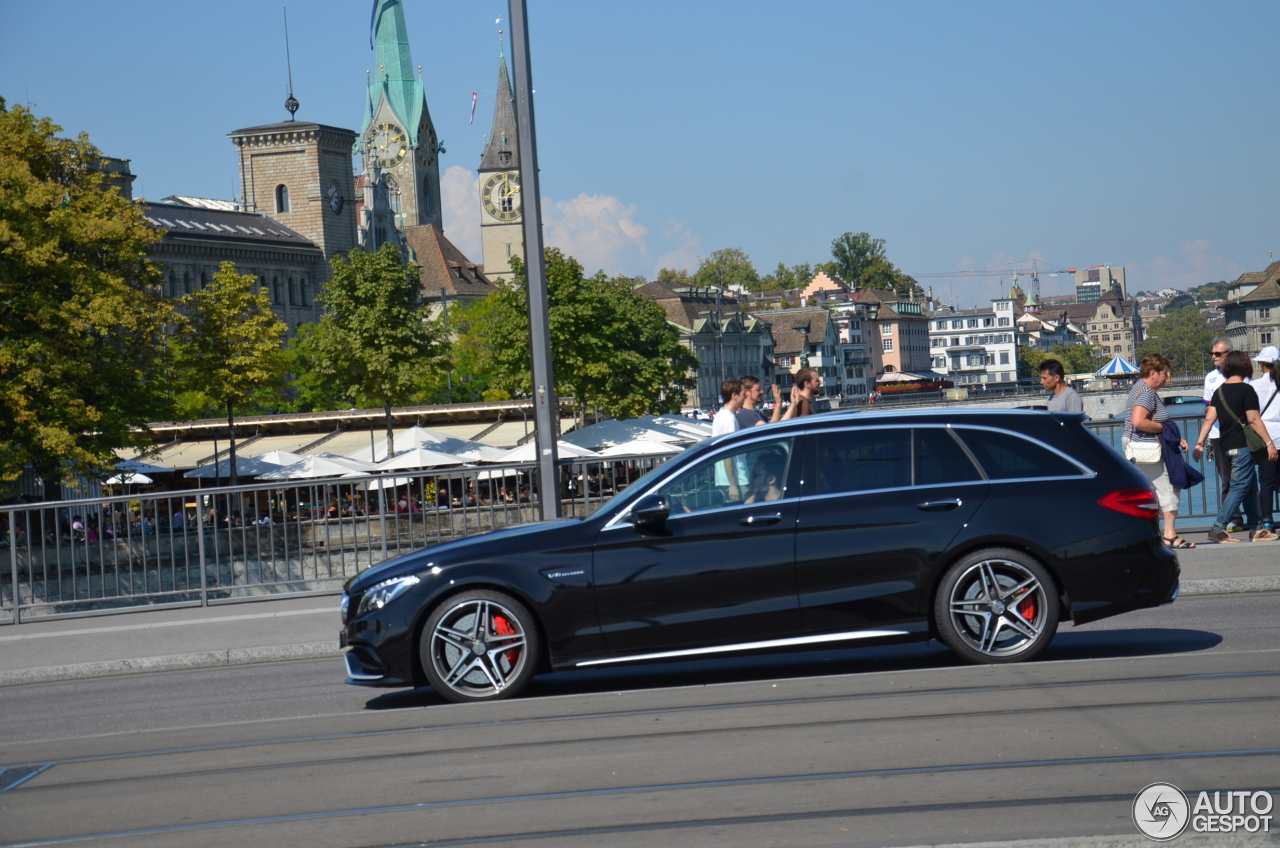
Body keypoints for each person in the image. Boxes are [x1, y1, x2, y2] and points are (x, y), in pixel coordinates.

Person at [1193, 350, 1279, 543]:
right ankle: (1218, 527)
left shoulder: (1219, 391)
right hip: (1243, 445)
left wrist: (1199, 443)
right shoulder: (1247, 390)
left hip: (1224, 445)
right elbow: (1254, 419)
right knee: (1240, 486)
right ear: (1245, 367)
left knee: (1249, 486)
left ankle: (1256, 528)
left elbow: (1209, 419)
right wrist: (1269, 443)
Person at [1125, 354, 1193, 549]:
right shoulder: (1146, 392)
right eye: (1164, 373)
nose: (1166, 377)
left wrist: (1175, 437)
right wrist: (1165, 429)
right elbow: (1138, 421)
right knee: (1170, 486)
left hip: (1141, 446)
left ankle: (1149, 534)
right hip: (1147, 448)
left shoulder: (1140, 388)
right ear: (1153, 373)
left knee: (1149, 492)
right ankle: (1169, 535)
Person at [1204, 337, 1241, 528]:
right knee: (1226, 480)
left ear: (1229, 354)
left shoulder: (1242, 376)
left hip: (1240, 435)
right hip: (1218, 435)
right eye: (1212, 353)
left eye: (1218, 354)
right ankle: (1234, 518)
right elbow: (1207, 408)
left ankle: (1257, 518)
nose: (1213, 357)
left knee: (1245, 478)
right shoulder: (1210, 378)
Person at [1250, 346, 1280, 535]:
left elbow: (1252, 416)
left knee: (1266, 482)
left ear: (1261, 364)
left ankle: (1267, 521)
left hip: (1265, 438)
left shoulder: (1255, 386)